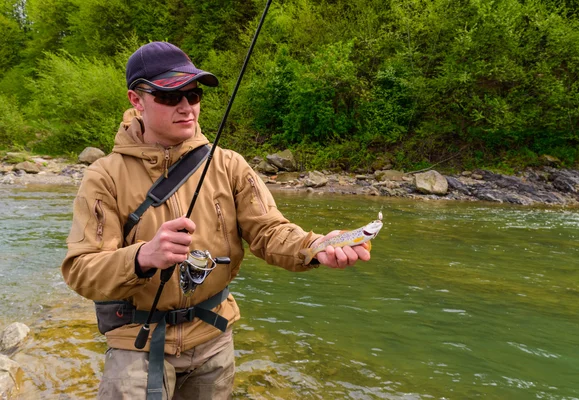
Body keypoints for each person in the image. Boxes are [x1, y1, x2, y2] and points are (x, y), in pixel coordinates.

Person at [61, 41, 371, 400]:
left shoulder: (229, 165)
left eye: (192, 95)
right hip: (138, 341)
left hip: (213, 339)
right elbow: (81, 270)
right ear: (136, 100)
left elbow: (270, 232)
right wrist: (143, 256)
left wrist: (314, 247)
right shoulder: (104, 177)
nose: (186, 107)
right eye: (169, 96)